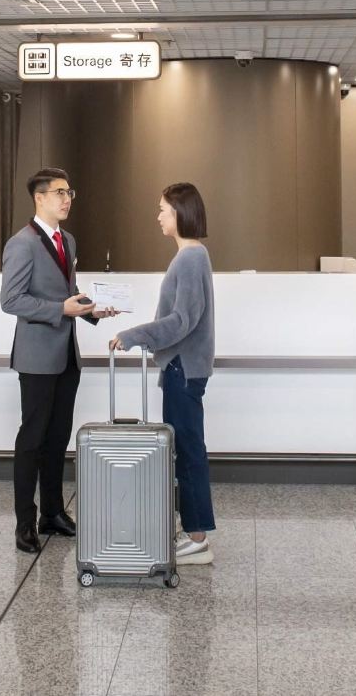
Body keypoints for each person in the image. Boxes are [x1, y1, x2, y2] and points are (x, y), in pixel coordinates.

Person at [0, 167, 112, 554]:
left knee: (57, 438)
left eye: (70, 192)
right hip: (35, 357)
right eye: (60, 193)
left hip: (66, 356)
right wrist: (58, 309)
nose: (67, 199)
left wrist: (93, 310)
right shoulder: (22, 243)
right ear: (40, 198)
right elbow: (10, 300)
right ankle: (24, 523)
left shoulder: (68, 240)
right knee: (31, 439)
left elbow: (69, 293)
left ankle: (52, 513)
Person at [111, 182, 217, 567]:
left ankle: (198, 539)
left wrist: (134, 336)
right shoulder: (193, 256)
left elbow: (182, 321)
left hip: (183, 369)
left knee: (188, 452)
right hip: (183, 367)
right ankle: (193, 531)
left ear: (180, 213)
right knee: (186, 449)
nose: (158, 216)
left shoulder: (189, 258)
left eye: (163, 210)